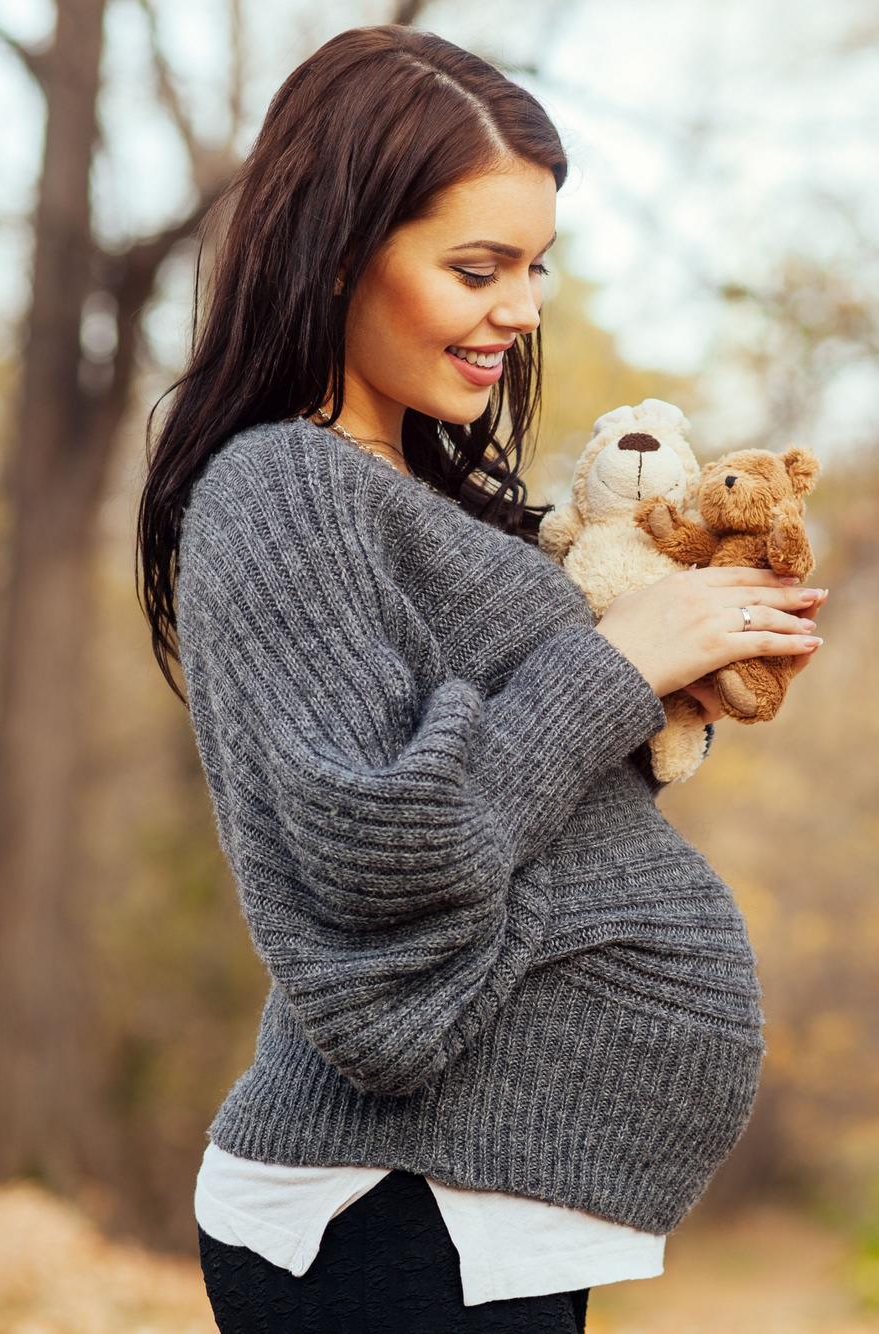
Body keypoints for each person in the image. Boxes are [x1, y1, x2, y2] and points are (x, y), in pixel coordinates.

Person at [132, 24, 829, 1332]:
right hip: (381, 1217)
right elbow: (387, 853)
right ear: (337, 251)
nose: (523, 307)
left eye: (537, 267)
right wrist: (621, 663)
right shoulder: (281, 488)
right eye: (477, 267)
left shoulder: (416, 496)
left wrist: (689, 662)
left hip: (464, 1208)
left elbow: (520, 814)